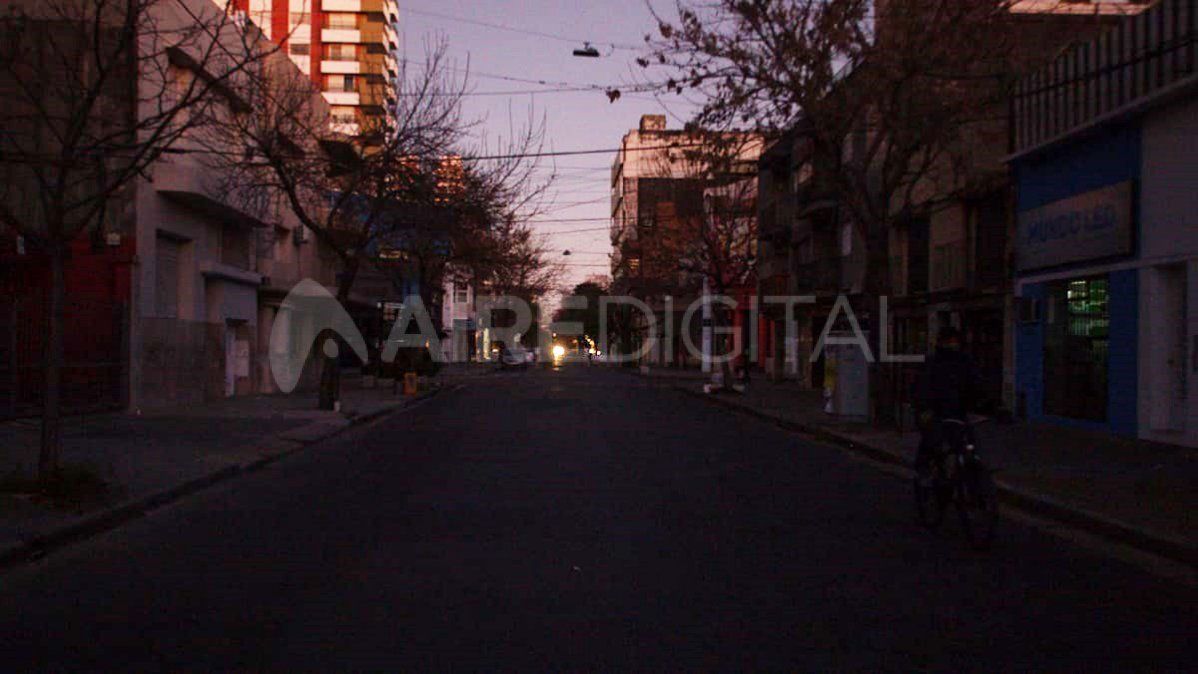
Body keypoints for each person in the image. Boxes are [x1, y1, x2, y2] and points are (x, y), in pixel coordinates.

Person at [914, 326, 979, 482]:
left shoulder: (965, 361)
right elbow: (922, 386)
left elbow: (976, 383)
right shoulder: (933, 362)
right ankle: (926, 474)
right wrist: (925, 408)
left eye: (954, 341)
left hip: (957, 412)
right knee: (933, 441)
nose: (952, 345)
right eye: (948, 342)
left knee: (969, 444)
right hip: (936, 412)